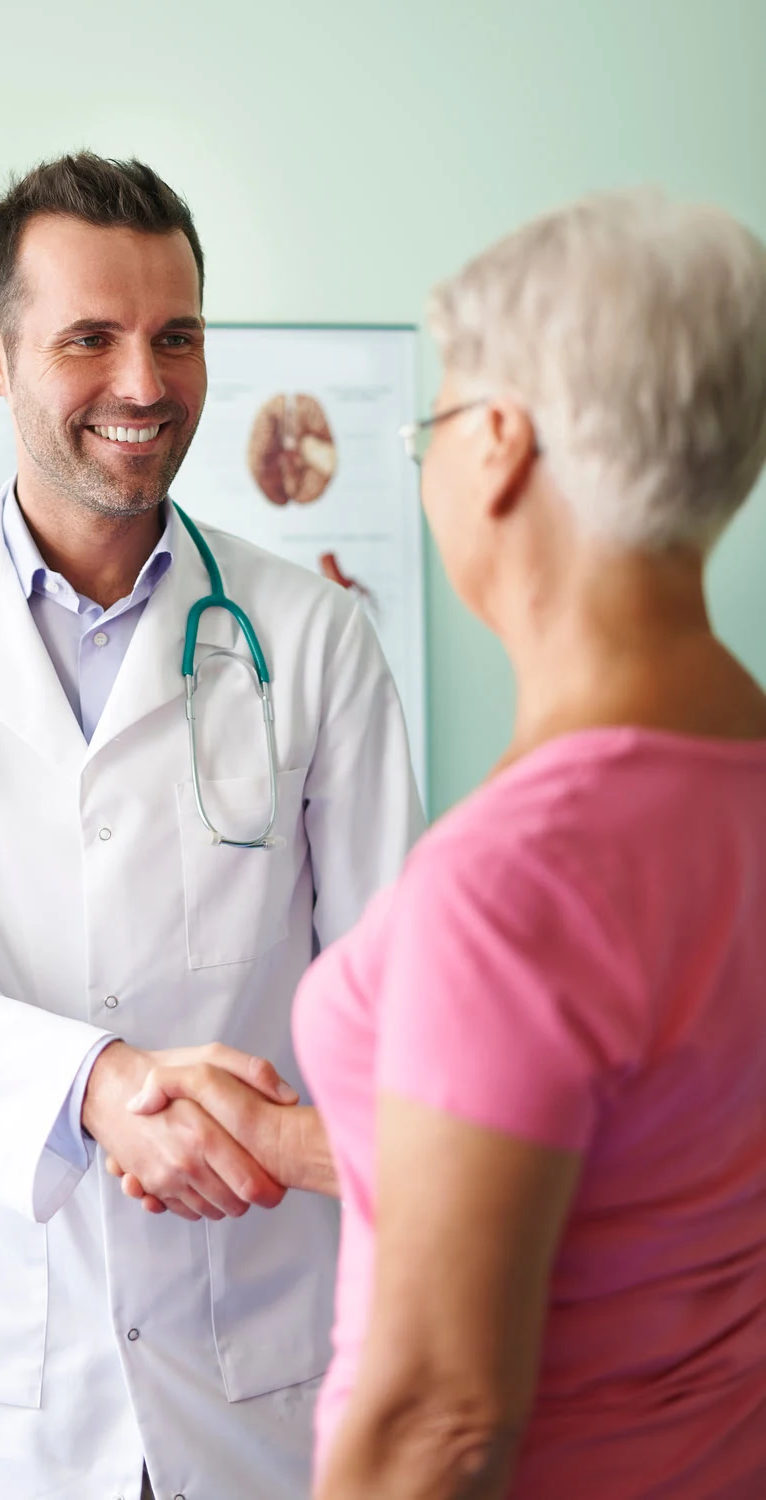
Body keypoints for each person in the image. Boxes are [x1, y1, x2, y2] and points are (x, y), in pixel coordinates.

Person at [0, 152, 424, 1500]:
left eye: (176, 336)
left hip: (254, 1356)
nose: (144, 381)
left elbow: (392, 998)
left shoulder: (311, 636)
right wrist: (94, 1086)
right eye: (89, 339)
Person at [280, 190, 766, 1498]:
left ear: (496, 444)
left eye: (431, 425)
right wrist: (287, 1139)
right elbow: (643, 1164)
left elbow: (438, 1423)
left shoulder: (515, 879)